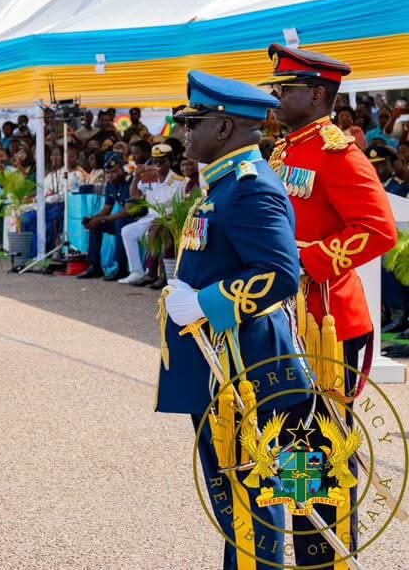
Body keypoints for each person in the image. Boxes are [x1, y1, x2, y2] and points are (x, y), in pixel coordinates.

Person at [160, 71, 311, 570]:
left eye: (193, 123)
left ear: (224, 127)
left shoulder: (248, 187)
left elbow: (280, 273)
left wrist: (206, 303)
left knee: (251, 491)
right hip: (224, 364)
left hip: (246, 364)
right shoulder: (225, 184)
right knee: (234, 493)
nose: (184, 132)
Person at [263, 44, 397, 565]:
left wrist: (307, 261)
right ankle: (308, 548)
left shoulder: (338, 152)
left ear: (318, 95)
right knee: (293, 443)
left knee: (321, 444)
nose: (276, 96)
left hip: (327, 320)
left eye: (287, 88)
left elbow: (378, 229)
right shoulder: (285, 150)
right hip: (290, 315)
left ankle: (329, 555)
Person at [118, 143, 184, 285]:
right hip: (150, 217)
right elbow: (135, 196)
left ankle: (157, 274)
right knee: (127, 231)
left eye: (162, 161)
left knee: (155, 230)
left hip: (168, 220)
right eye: (155, 162)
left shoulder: (178, 182)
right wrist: (136, 177)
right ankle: (136, 271)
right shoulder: (150, 177)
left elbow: (179, 209)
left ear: (170, 161)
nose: (158, 165)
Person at [76, 152, 133, 280]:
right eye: (108, 172)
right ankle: (94, 266)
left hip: (133, 218)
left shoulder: (129, 182)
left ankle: (121, 268)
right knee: (95, 226)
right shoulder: (110, 184)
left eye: (114, 172)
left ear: (121, 168)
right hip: (120, 218)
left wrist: (101, 219)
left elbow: (126, 212)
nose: (110, 175)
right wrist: (94, 218)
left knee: (120, 224)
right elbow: (107, 208)